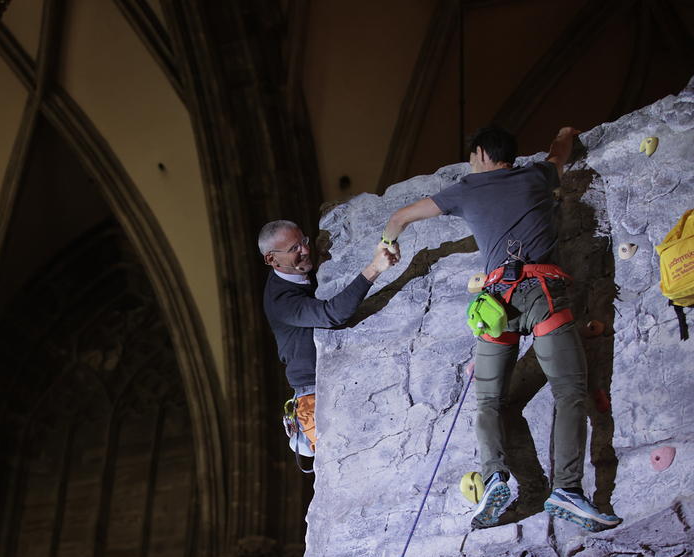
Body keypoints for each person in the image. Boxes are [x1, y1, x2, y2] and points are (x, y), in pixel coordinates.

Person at [380, 125, 621, 532]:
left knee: (489, 401)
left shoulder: (465, 190)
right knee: (569, 392)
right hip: (542, 295)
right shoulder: (538, 175)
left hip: (496, 306)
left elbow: (399, 217)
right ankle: (567, 489)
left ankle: (494, 477)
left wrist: (387, 244)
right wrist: (565, 131)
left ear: (479, 153)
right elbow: (559, 151)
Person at [260, 220, 397, 458]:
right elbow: (332, 314)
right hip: (315, 393)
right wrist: (375, 267)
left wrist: (320, 266)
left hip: (334, 377)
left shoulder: (296, 273)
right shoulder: (279, 300)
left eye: (304, 241)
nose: (305, 250)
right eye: (294, 248)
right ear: (272, 259)